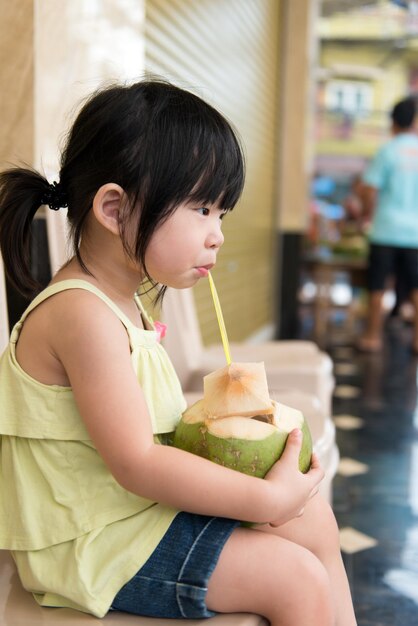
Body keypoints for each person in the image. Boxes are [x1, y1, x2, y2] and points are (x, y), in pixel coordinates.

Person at [0, 79, 357, 626]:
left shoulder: (125, 303)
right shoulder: (83, 316)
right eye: (202, 208)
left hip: (134, 517)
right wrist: (264, 501)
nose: (216, 234)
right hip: (96, 544)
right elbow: (136, 463)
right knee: (295, 580)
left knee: (317, 527)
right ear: (115, 210)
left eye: (222, 214)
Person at [358, 96, 418, 353]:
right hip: (415, 234)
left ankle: (373, 337)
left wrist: (367, 214)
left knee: (378, 285)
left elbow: (370, 190)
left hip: (385, 230)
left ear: (393, 122)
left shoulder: (387, 150)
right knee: (416, 287)